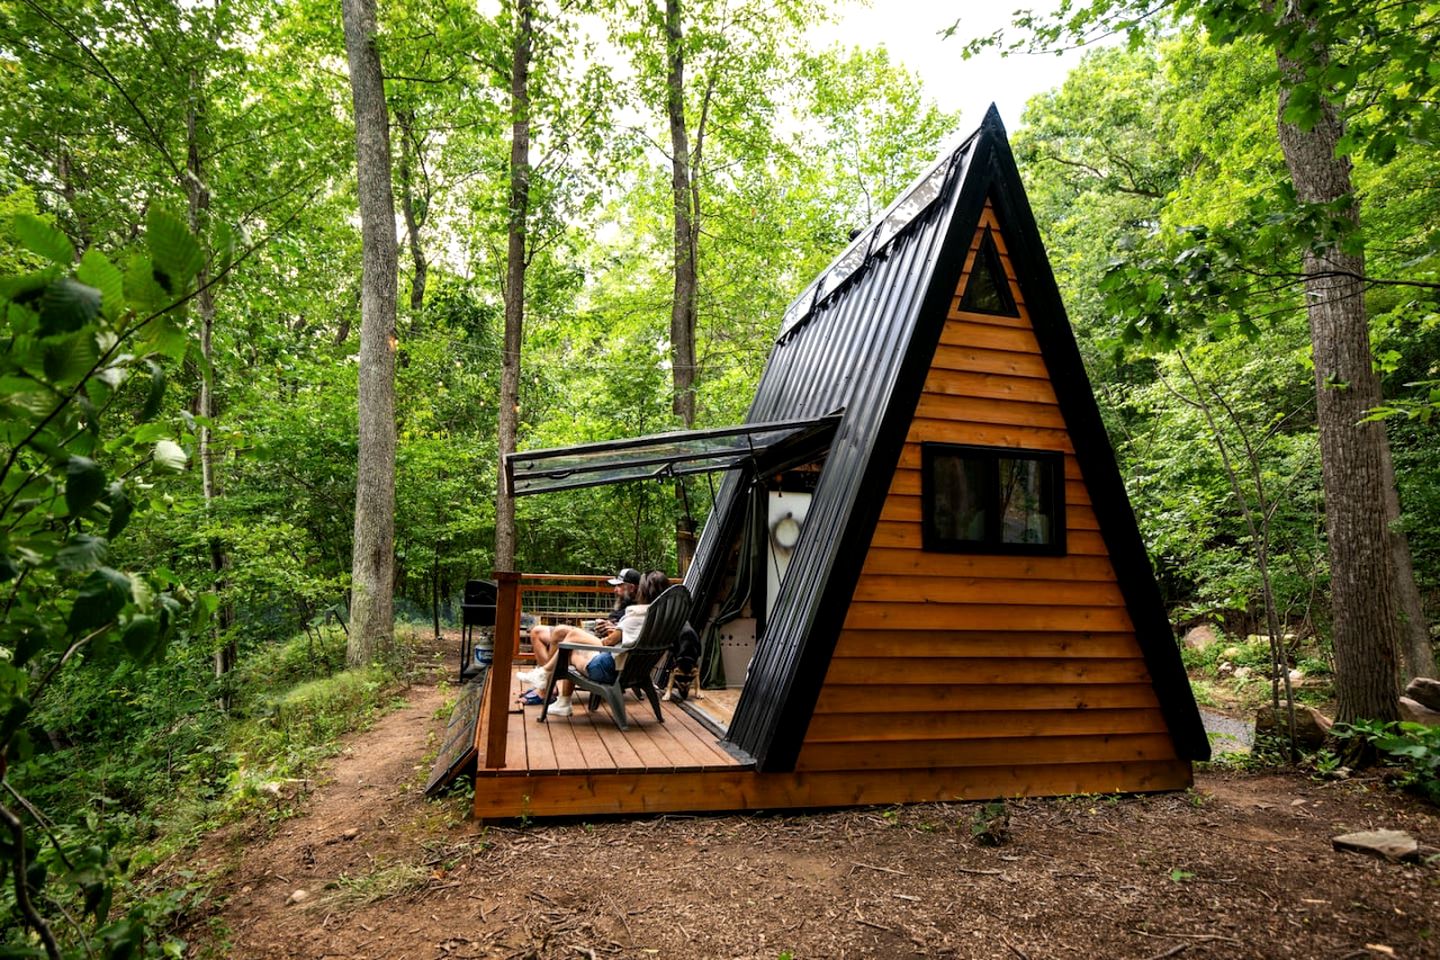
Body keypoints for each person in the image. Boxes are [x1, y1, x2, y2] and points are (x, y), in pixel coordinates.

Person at [522, 570, 669, 717]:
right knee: (569, 637)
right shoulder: (663, 616)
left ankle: (548, 681)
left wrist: (607, 633)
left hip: (606, 669)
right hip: (635, 670)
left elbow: (607, 642)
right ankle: (550, 684)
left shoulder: (637, 615)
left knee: (569, 641)